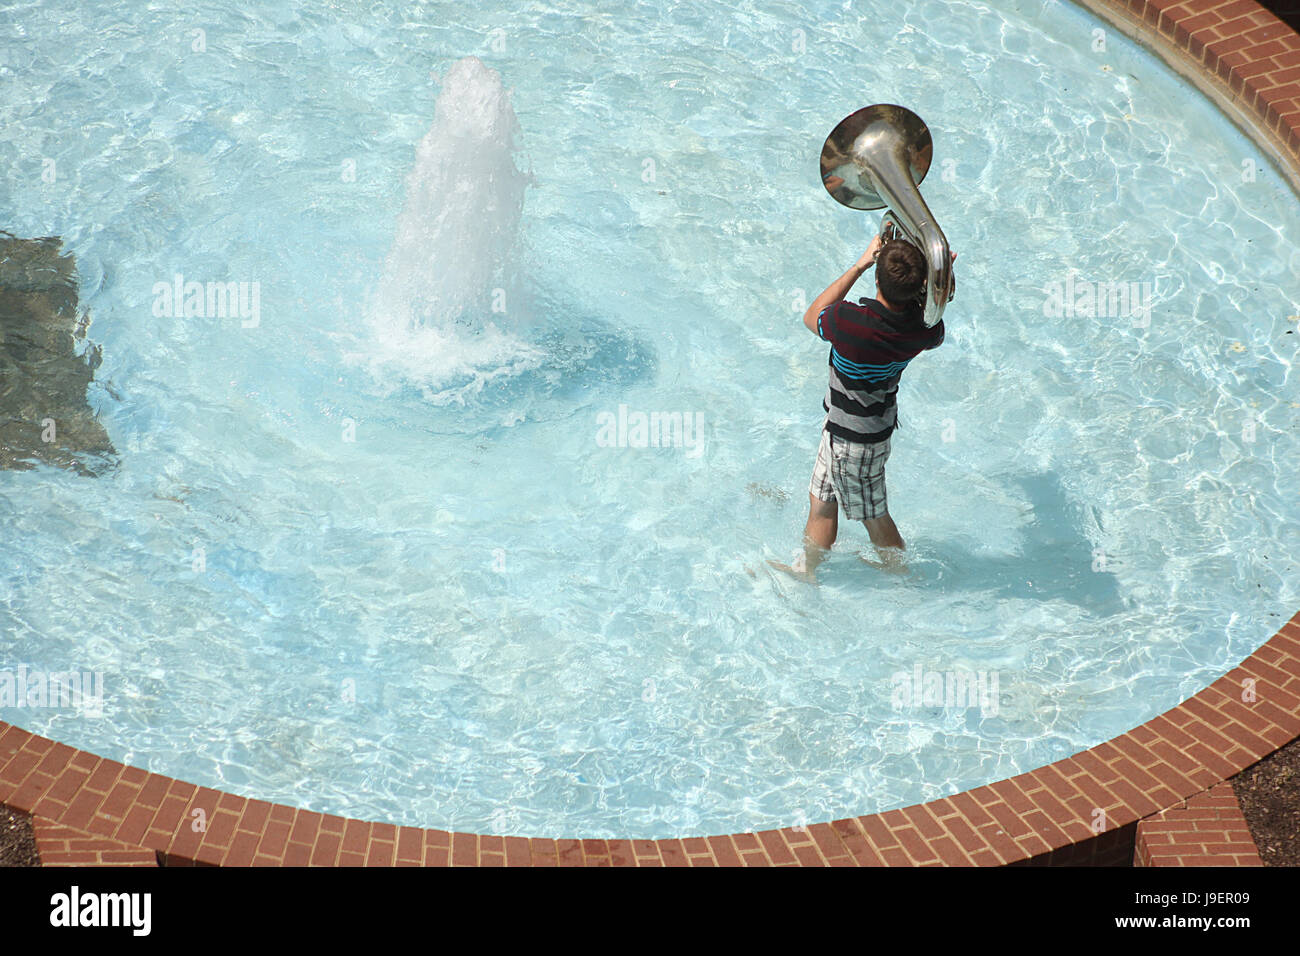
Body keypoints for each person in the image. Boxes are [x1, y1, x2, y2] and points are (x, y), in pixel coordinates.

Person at [773, 234, 952, 581]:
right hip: (856, 432)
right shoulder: (922, 330)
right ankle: (807, 570)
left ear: (877, 278)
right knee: (821, 502)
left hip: (853, 443)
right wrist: (939, 286)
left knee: (875, 516)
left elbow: (812, 316)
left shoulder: (848, 322)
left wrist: (859, 264)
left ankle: (902, 577)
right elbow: (935, 323)